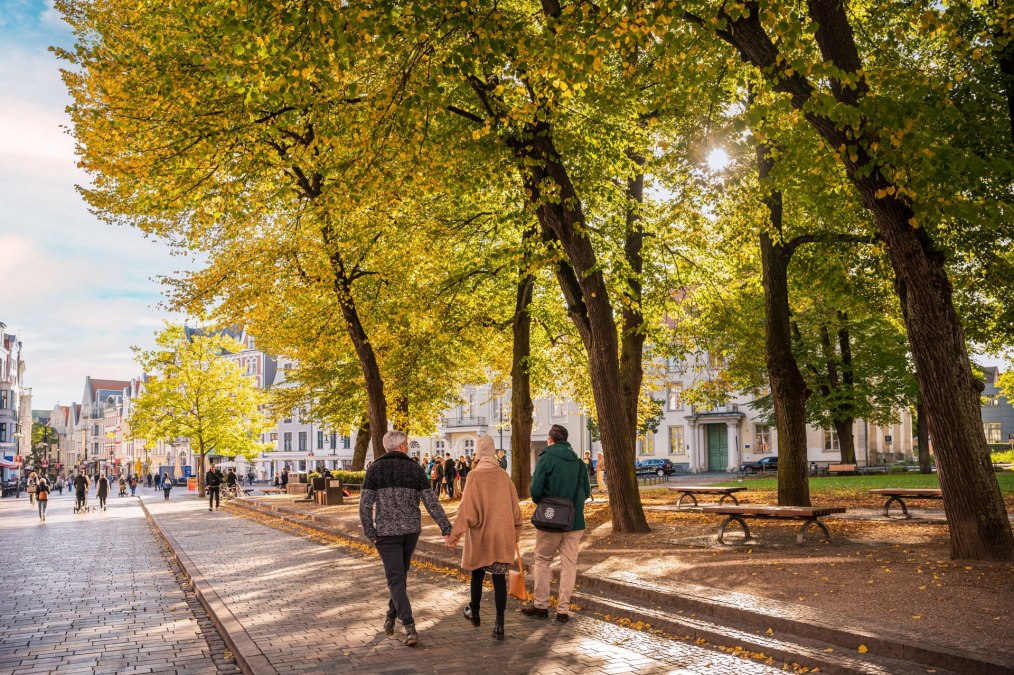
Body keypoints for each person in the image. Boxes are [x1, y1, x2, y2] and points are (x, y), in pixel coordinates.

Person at [359, 430, 453, 647]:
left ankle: (407, 625)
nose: (408, 447)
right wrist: (446, 527)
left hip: (386, 534)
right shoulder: (415, 468)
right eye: (407, 444)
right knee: (399, 577)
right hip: (410, 532)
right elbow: (431, 502)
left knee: (396, 578)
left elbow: (364, 506)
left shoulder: (374, 469)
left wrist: (370, 533)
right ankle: (396, 620)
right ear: (402, 447)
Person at [447, 436, 522, 641]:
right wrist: (515, 534)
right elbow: (516, 510)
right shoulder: (504, 477)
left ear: (478, 453)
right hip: (502, 536)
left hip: (481, 535)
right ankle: (500, 624)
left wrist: (454, 535)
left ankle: (475, 612)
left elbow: (466, 510)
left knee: (477, 574)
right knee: (499, 578)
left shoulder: (474, 476)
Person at [522, 424, 591, 624]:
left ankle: (541, 605)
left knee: (542, 561)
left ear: (550, 440)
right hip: (574, 521)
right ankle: (563, 610)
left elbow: (535, 490)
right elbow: (586, 492)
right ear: (566, 440)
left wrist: (546, 503)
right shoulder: (579, 462)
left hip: (550, 521)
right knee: (569, 565)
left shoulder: (546, 458)